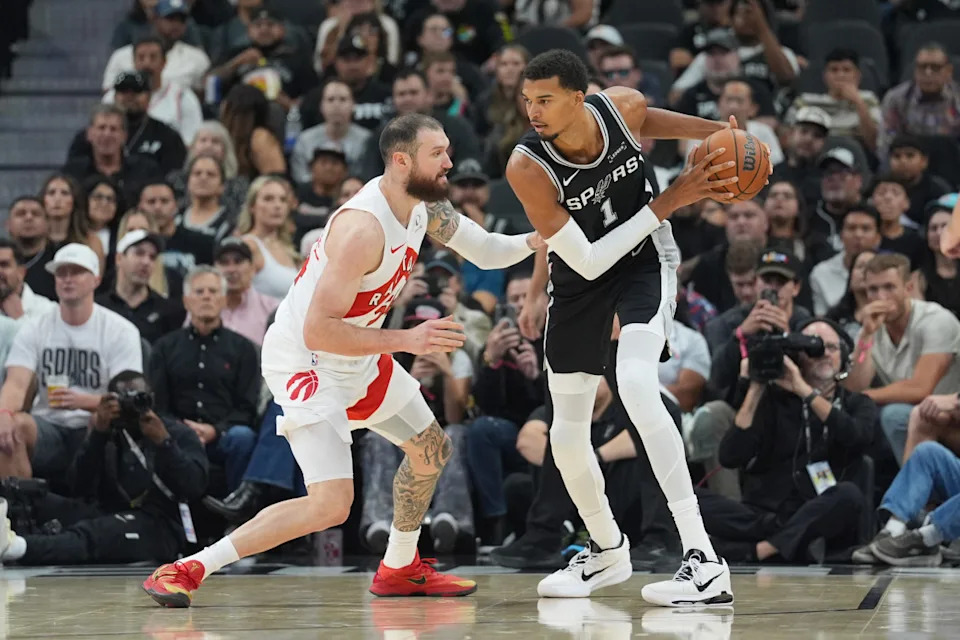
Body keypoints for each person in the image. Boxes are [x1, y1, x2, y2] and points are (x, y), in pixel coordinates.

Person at [141, 112, 541, 606]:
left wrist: (538, 239)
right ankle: (188, 567)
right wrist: (408, 341)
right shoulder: (362, 230)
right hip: (307, 359)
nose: (449, 162)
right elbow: (319, 329)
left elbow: (483, 249)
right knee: (330, 505)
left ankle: (398, 567)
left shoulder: (422, 205)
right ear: (401, 161)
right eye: (438, 153)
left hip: (357, 349)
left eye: (447, 152)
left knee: (431, 449)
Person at [504, 49, 747, 606]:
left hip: (644, 263)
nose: (534, 112)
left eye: (545, 100)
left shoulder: (623, 108)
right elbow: (586, 261)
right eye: (527, 101)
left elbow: (648, 119)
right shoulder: (527, 166)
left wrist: (719, 133)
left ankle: (704, 559)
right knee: (566, 434)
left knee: (637, 385)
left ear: (578, 97)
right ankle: (608, 550)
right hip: (579, 278)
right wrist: (672, 199)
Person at [0, 371, 208, 565]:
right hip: (109, 510)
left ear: (151, 398)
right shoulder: (109, 433)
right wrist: (98, 433)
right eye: (122, 400)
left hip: (160, 525)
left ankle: (18, 548)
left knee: (96, 533)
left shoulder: (176, 433)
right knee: (27, 495)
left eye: (138, 398)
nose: (130, 407)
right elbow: (78, 487)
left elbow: (194, 487)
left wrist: (164, 443)